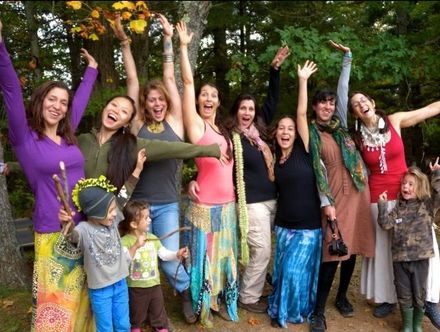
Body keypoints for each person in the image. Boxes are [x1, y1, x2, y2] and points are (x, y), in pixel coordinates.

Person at [0, 19, 98, 331]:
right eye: (51, 99)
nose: (57, 106)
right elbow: (11, 88)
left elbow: (80, 101)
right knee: (54, 309)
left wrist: (92, 70)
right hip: (52, 230)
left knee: (83, 302)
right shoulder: (25, 139)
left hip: (85, 227)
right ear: (40, 101)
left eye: (63, 102)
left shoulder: (69, 136)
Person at [186, 46, 289, 314]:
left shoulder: (261, 133)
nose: (247, 112)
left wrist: (274, 70)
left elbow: (272, 101)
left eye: (251, 109)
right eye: (243, 108)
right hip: (250, 203)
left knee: (267, 250)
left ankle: (247, 290)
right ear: (235, 110)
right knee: (261, 251)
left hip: (272, 200)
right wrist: (193, 180)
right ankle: (247, 295)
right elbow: (210, 159)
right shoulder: (231, 134)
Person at [111, 14, 196, 323]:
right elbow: (132, 82)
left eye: (160, 99)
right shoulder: (136, 126)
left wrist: (168, 41)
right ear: (144, 105)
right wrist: (124, 43)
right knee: (134, 260)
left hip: (168, 205)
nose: (157, 103)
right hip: (137, 206)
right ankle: (141, 310)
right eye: (151, 100)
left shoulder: (176, 123)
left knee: (170, 262)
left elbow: (172, 80)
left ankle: (186, 291)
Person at [349, 92, 440, 327]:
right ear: (355, 113)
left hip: (407, 195)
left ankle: (427, 300)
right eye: (355, 105)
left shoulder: (395, 120)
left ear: (372, 103)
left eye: (363, 100)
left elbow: (428, 110)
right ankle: (388, 298)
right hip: (377, 198)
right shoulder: (357, 138)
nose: (361, 105)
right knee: (385, 252)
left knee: (422, 246)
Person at [177, 20, 239, 327]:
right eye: (204, 95)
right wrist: (184, 47)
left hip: (227, 205)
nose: (208, 98)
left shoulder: (221, 129)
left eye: (213, 95)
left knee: (222, 255)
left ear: (218, 101)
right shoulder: (197, 126)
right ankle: (202, 300)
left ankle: (216, 297)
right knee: (204, 254)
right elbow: (187, 84)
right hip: (206, 205)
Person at [309, 43, 375, 332]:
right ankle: (318, 312)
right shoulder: (311, 132)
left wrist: (347, 58)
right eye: (322, 102)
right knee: (333, 251)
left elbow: (344, 91)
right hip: (335, 195)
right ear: (314, 106)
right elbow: (317, 170)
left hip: (360, 191)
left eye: (330, 102)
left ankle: (342, 296)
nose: (328, 106)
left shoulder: (341, 125)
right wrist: (326, 200)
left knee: (354, 248)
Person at [77, 94, 222, 209]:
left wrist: (209, 150)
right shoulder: (81, 141)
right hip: (74, 214)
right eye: (113, 105)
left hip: (107, 220)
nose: (116, 111)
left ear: (127, 123)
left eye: (124, 111)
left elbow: (171, 148)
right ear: (105, 108)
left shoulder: (130, 145)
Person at [268, 61, 323, 328]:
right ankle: (289, 309)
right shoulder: (275, 162)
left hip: (308, 228)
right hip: (283, 227)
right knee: (283, 274)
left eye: (289, 128)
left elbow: (301, 114)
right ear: (276, 133)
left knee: (294, 272)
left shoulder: (305, 150)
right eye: (282, 128)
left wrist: (302, 80)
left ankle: (287, 313)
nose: (286, 132)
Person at [62, 177, 140, 332]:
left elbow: (125, 194)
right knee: (105, 328)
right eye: (110, 211)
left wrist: (137, 170)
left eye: (113, 210)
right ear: (96, 212)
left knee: (123, 325)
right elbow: (72, 239)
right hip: (100, 289)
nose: (114, 214)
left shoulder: (113, 219)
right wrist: (67, 225)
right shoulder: (84, 229)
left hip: (120, 283)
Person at [377, 161, 440, 332]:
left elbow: (438, 194)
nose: (406, 187)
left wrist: (436, 175)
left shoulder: (426, 205)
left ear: (419, 187)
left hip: (420, 259)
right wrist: (382, 206)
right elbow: (385, 224)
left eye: (411, 184)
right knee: (403, 293)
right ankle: (407, 326)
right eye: (404, 183)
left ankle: (417, 325)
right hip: (400, 260)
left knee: (419, 294)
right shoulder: (398, 207)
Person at [120, 200, 189, 332]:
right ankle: (135, 327)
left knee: (158, 310)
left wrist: (176, 254)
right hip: (135, 288)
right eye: (146, 218)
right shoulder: (125, 241)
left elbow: (163, 254)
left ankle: (161, 327)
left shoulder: (152, 238)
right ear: (134, 224)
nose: (150, 220)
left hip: (154, 285)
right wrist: (135, 246)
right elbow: (124, 262)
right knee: (136, 312)